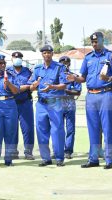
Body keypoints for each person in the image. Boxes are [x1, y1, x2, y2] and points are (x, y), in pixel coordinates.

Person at [67, 32, 112, 169]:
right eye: (92, 42)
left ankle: (109, 160)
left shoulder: (110, 56)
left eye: (96, 41)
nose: (94, 44)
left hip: (106, 94)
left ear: (102, 40)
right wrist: (74, 78)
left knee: (108, 127)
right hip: (91, 95)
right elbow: (83, 78)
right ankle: (93, 159)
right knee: (93, 128)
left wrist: (108, 79)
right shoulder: (88, 58)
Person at [29, 45, 67, 167]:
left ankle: (59, 157)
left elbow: (64, 85)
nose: (47, 55)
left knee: (57, 130)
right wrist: (33, 85)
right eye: (44, 53)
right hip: (41, 103)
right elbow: (31, 85)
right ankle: (46, 158)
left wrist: (52, 87)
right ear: (42, 55)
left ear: (52, 54)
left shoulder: (59, 67)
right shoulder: (38, 69)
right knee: (41, 131)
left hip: (54, 102)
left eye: (49, 53)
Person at [7, 51, 34, 160]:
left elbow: (31, 85)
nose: (17, 59)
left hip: (25, 103)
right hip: (11, 103)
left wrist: (18, 88)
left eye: (19, 57)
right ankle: (13, 152)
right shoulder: (7, 71)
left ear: (22, 59)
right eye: (14, 57)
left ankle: (28, 152)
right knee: (12, 128)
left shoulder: (28, 72)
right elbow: (8, 87)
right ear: (12, 59)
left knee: (28, 128)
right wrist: (24, 87)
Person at [59, 56, 81, 159]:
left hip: (69, 103)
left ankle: (68, 151)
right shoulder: (56, 76)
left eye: (67, 63)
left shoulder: (74, 77)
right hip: (57, 103)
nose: (65, 65)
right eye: (62, 63)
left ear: (70, 64)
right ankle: (57, 150)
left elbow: (78, 91)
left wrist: (65, 90)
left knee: (70, 129)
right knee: (57, 128)